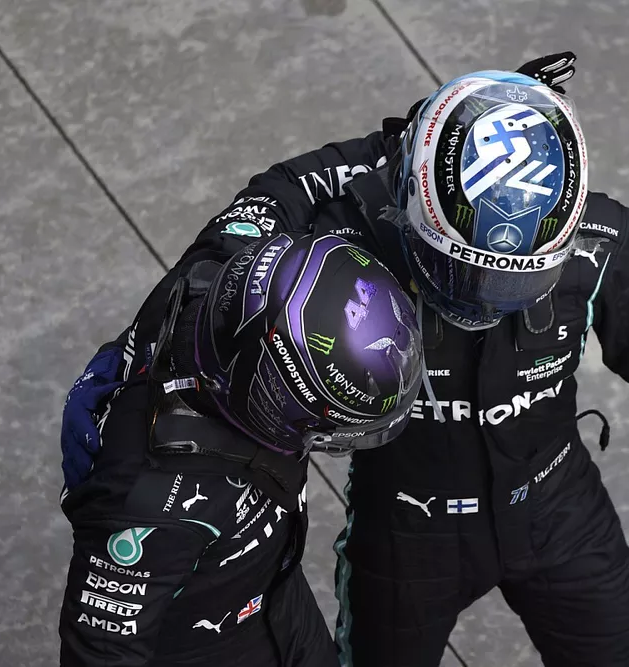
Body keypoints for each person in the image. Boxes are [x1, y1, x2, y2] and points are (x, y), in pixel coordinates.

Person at [62, 54, 629, 667]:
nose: (483, 298)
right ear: (413, 194)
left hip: (561, 511)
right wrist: (139, 348)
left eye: (511, 281)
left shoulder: (600, 235)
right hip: (408, 535)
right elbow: (228, 253)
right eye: (464, 270)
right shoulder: (349, 216)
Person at [57, 228, 425, 666]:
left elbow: (295, 181)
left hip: (281, 610)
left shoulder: (241, 282)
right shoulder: (145, 502)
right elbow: (100, 653)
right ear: (274, 399)